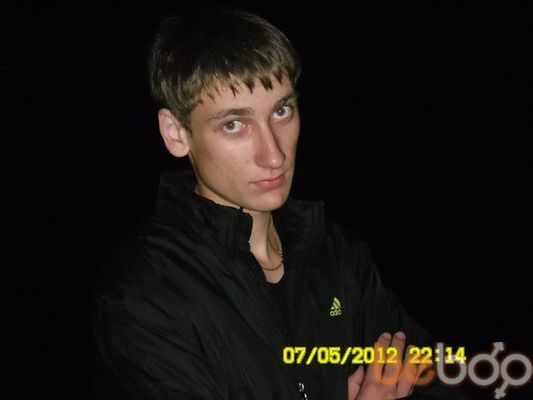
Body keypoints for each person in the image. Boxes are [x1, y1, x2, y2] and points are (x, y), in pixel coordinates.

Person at [92, 8, 467, 400]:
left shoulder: (334, 253)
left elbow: (437, 377)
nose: (274, 154)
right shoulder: (144, 291)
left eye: (281, 111)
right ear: (176, 134)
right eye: (234, 125)